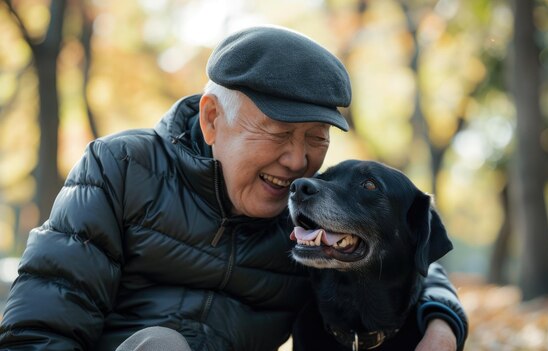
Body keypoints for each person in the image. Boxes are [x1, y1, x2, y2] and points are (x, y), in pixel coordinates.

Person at [0, 25, 467, 351]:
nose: (297, 162)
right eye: (279, 133)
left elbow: (407, 255)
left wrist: (443, 326)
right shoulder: (121, 169)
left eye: (316, 140)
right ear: (211, 119)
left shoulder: (305, 222)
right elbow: (41, 325)